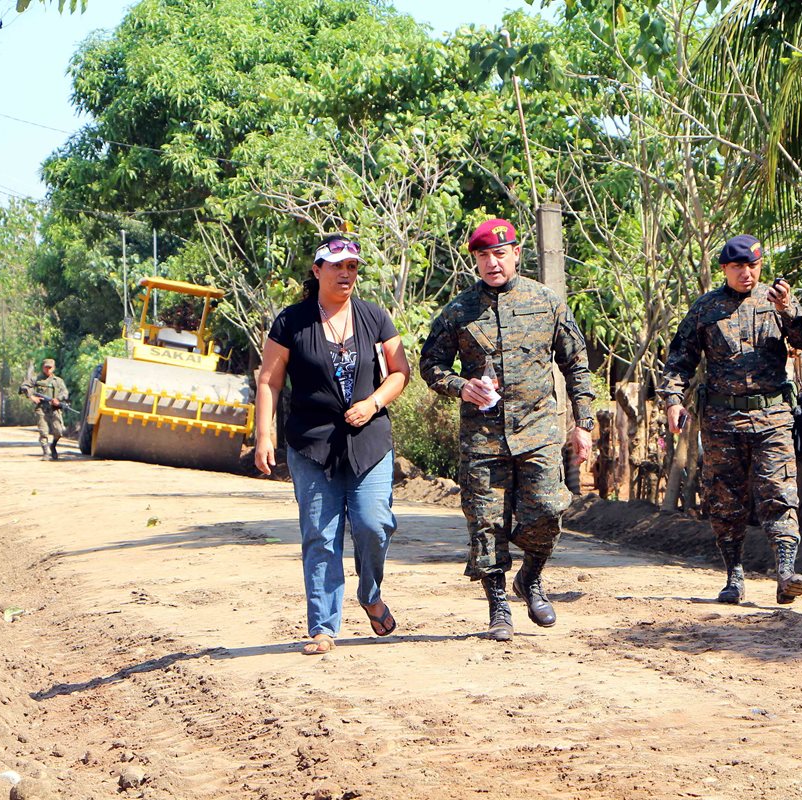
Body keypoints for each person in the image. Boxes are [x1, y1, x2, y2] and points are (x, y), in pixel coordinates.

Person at [420, 218, 595, 641]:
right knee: (486, 522)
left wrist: (584, 424)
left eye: (500, 253)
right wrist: (463, 386)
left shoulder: (546, 302)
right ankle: (498, 605)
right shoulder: (459, 311)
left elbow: (576, 363)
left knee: (549, 511)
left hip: (537, 430)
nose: (492, 263)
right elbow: (430, 365)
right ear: (475, 261)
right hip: (483, 437)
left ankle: (530, 578)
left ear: (517, 253)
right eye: (483, 256)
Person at [255, 234, 411, 655]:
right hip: (311, 443)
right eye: (337, 266)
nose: (346, 274)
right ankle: (324, 627)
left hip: (369, 439)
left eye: (353, 267)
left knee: (373, 524)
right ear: (317, 269)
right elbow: (269, 380)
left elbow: (399, 371)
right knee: (321, 537)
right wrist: (264, 435)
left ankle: (370, 593)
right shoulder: (291, 322)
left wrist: (374, 401)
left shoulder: (374, 317)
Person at [658, 234, 802, 604]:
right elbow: (680, 359)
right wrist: (671, 401)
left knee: (780, 493)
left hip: (772, 416)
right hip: (722, 420)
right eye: (738, 267)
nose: (746, 273)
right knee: (725, 500)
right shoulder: (705, 308)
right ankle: (734, 575)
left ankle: (786, 572)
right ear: (724, 269)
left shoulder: (777, 303)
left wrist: (788, 311)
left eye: (753, 266)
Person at [20, 358, 69, 461]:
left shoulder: (58, 381)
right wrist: (32, 397)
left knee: (59, 431)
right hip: (41, 409)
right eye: (46, 367)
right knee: (43, 432)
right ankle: (46, 452)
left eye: (50, 367)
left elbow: (65, 393)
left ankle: (53, 446)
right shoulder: (36, 379)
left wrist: (58, 399)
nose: (48, 369)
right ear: (43, 367)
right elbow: (24, 387)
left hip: (54, 409)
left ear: (54, 368)